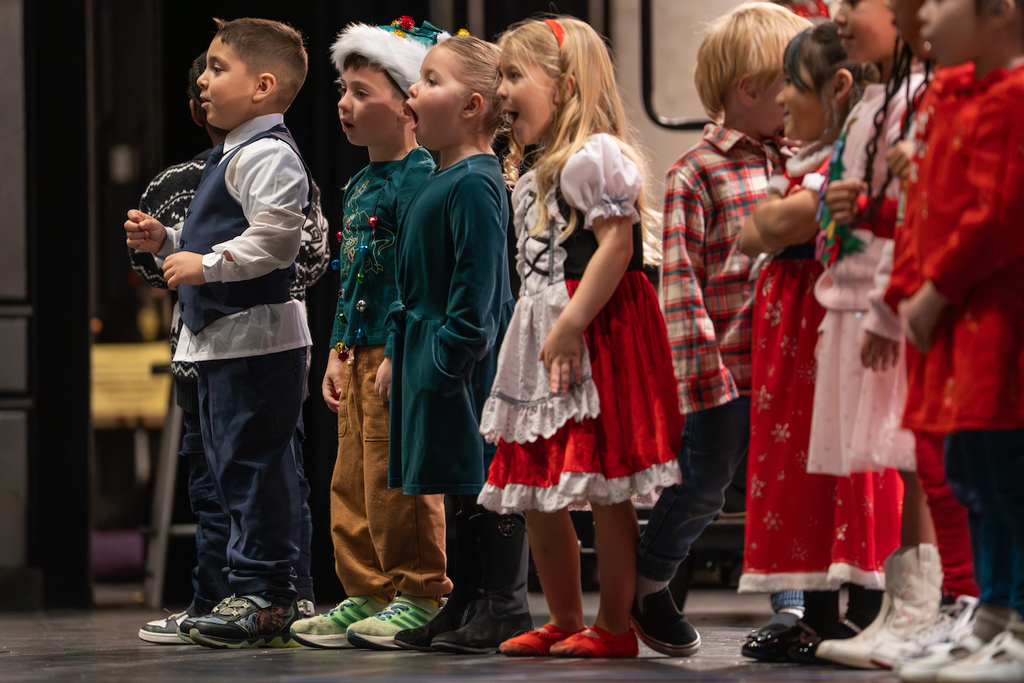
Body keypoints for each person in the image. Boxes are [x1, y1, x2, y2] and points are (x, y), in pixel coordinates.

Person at [475, 16, 683, 660]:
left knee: (603, 484)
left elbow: (617, 245)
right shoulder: (533, 173)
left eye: (515, 75)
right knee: (540, 486)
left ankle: (616, 625)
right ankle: (564, 617)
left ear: (564, 86)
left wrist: (569, 325)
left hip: (590, 330)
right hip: (545, 327)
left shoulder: (595, 157)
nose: (503, 91)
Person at [125, 17, 315, 648]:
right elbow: (225, 237)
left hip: (259, 343)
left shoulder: (268, 154)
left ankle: (267, 595)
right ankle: (234, 591)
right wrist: (171, 242)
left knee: (257, 469)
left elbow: (276, 242)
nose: (203, 81)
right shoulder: (233, 152)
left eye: (216, 67)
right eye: (205, 68)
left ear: (262, 86)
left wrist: (201, 265)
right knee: (225, 473)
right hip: (224, 343)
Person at [631, 2, 811, 657]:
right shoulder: (696, 172)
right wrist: (700, 372)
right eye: (792, 87)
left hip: (789, 368)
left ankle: (792, 611)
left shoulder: (799, 163)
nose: (801, 100)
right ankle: (649, 582)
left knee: (783, 487)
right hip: (724, 371)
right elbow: (679, 281)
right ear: (751, 90)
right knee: (704, 483)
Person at [289, 19, 452, 651]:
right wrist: (336, 349)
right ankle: (364, 588)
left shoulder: (420, 178)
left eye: (362, 92)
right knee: (351, 472)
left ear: (409, 103)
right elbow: (351, 272)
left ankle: (418, 589)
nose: (344, 105)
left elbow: (419, 277)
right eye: (342, 90)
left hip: (397, 349)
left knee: (398, 474)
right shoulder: (359, 184)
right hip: (358, 352)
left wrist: (397, 347)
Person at [886, 1, 1024, 680]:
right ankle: (992, 617)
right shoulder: (971, 96)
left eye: (940, 0)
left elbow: (999, 211)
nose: (924, 12)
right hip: (962, 323)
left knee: (1004, 475)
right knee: (976, 474)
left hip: (994, 321)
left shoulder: (1014, 97)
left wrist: (935, 289)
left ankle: (1014, 620)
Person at [736, 21, 879, 663]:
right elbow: (754, 231)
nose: (784, 100)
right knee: (802, 468)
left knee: (850, 460)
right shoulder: (806, 161)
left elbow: (779, 222)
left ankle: (867, 607)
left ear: (838, 88)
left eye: (794, 84)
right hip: (792, 336)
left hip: (831, 327)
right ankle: (816, 613)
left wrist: (780, 217)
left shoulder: (848, 159)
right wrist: (775, 218)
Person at [382, 33, 529, 655]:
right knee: (460, 485)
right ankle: (464, 599)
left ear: (472, 106)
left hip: (462, 363)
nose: (414, 90)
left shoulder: (475, 181)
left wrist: (450, 353)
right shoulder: (441, 178)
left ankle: (505, 604)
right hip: (429, 356)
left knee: (484, 480)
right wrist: (402, 351)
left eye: (430, 80)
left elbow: (479, 282)